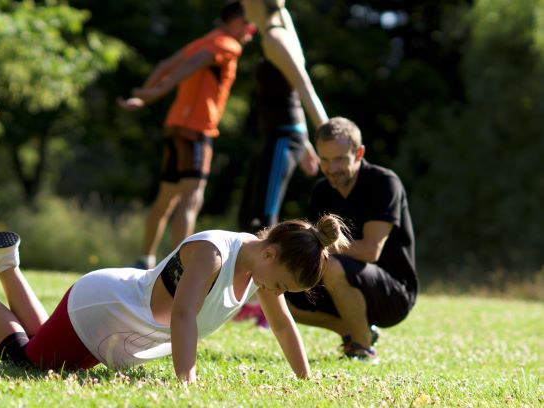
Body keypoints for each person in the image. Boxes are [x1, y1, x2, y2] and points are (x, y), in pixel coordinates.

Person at [0, 214, 349, 383]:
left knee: (44, 340)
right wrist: (186, 383)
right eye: (280, 286)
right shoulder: (213, 254)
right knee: (29, 363)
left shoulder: (261, 268)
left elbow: (281, 324)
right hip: (105, 306)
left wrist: (303, 381)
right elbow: (183, 315)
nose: (274, 295)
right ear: (271, 252)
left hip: (117, 319)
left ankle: (6, 264)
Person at [118, 2, 255, 269]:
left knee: (166, 198)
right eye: (250, 24)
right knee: (190, 199)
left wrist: (143, 96)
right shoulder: (228, 44)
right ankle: (179, 267)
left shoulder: (205, 40)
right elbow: (195, 63)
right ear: (237, 21)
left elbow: (165, 64)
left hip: (175, 127)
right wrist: (157, 92)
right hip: (197, 129)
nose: (252, 31)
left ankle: (144, 260)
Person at [284, 117, 419, 361]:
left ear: (359, 153)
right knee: (280, 283)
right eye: (324, 160)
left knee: (333, 265)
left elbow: (370, 251)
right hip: (339, 281)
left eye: (339, 159)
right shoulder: (322, 191)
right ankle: (352, 330)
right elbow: (314, 247)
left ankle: (363, 349)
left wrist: (326, 245)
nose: (331, 168)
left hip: (393, 294)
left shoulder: (384, 183)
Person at [238, 0, 328, 234]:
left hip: (283, 137)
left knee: (262, 223)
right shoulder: (279, 32)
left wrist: (330, 135)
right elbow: (291, 92)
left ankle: (268, 271)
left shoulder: (275, 39)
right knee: (252, 218)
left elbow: (304, 86)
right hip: (284, 137)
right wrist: (306, 141)